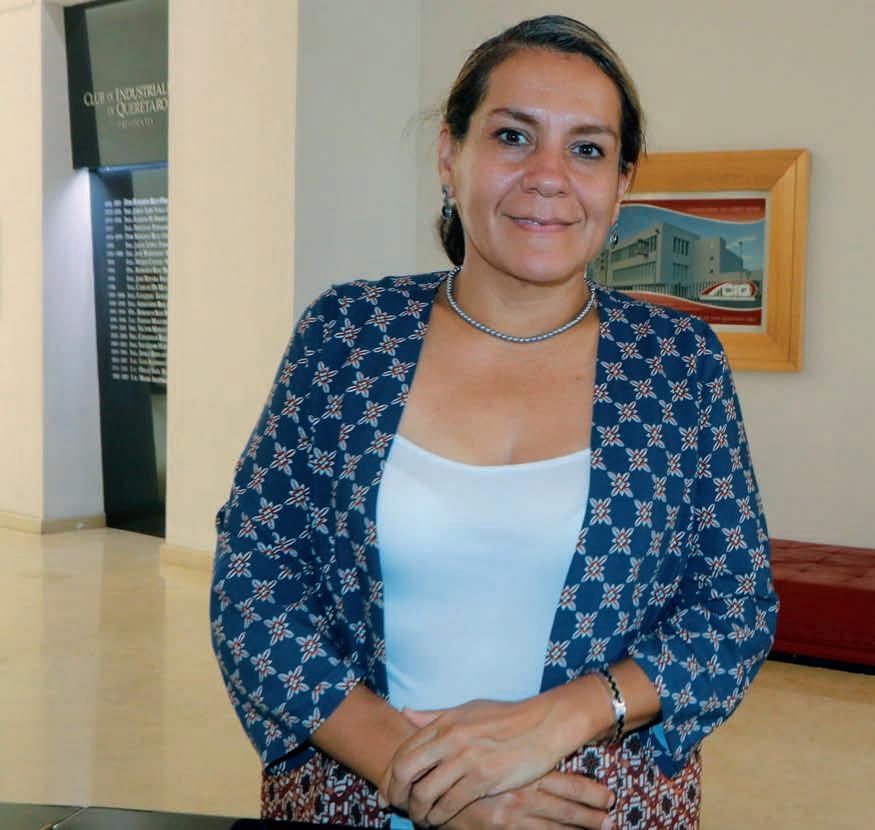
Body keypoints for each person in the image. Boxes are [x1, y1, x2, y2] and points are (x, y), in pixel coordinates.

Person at [209, 15, 778, 829]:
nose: (548, 176)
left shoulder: (677, 363)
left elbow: (733, 607)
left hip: (600, 806)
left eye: (587, 149)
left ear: (621, 184)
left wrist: (564, 717)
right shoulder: (349, 335)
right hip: (353, 795)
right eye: (513, 136)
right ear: (450, 155)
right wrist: (423, 776)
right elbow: (253, 582)